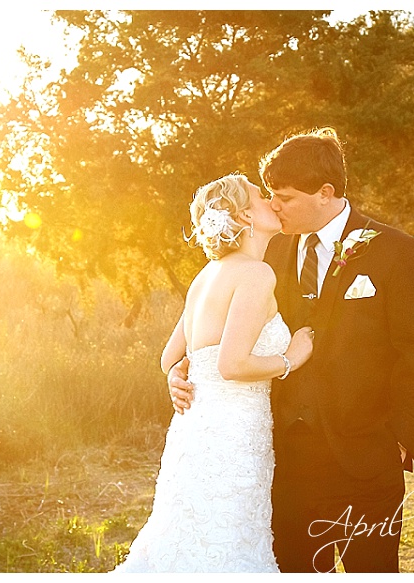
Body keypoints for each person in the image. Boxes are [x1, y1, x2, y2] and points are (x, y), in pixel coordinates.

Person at [169, 128, 414, 573]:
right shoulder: (264, 257)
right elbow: (212, 335)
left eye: (286, 197)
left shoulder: (398, 253)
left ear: (326, 192)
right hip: (285, 466)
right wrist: (182, 372)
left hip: (367, 460)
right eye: (271, 196)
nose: (274, 206)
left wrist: (403, 439)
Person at [113, 173, 314, 572]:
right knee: (225, 544)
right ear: (243, 215)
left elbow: (170, 356)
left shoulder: (205, 276)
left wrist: (175, 376)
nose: (272, 200)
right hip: (233, 438)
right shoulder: (256, 274)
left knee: (190, 539)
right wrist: (292, 358)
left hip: (195, 434)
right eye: (262, 196)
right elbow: (231, 364)